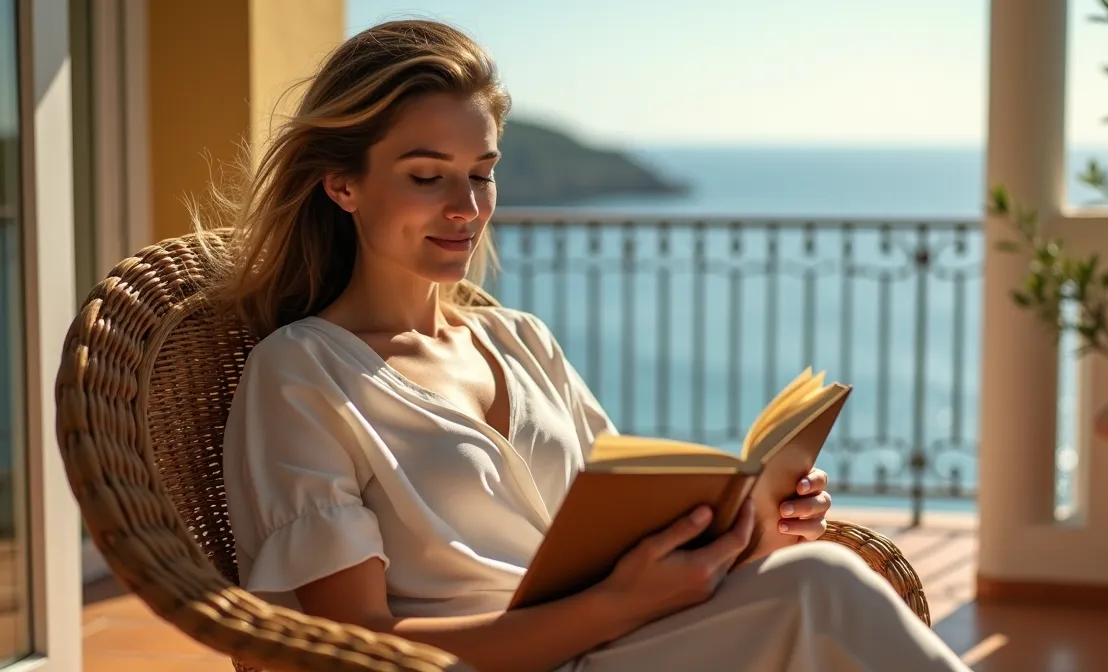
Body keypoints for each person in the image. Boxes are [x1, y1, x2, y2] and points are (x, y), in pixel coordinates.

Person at [207, 18, 971, 672]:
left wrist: (750, 531)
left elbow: (617, 535)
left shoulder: (520, 342)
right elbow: (352, 648)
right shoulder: (303, 373)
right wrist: (613, 608)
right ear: (343, 185)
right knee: (822, 594)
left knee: (814, 568)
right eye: (426, 176)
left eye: (482, 172)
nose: (467, 208)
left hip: (616, 646)